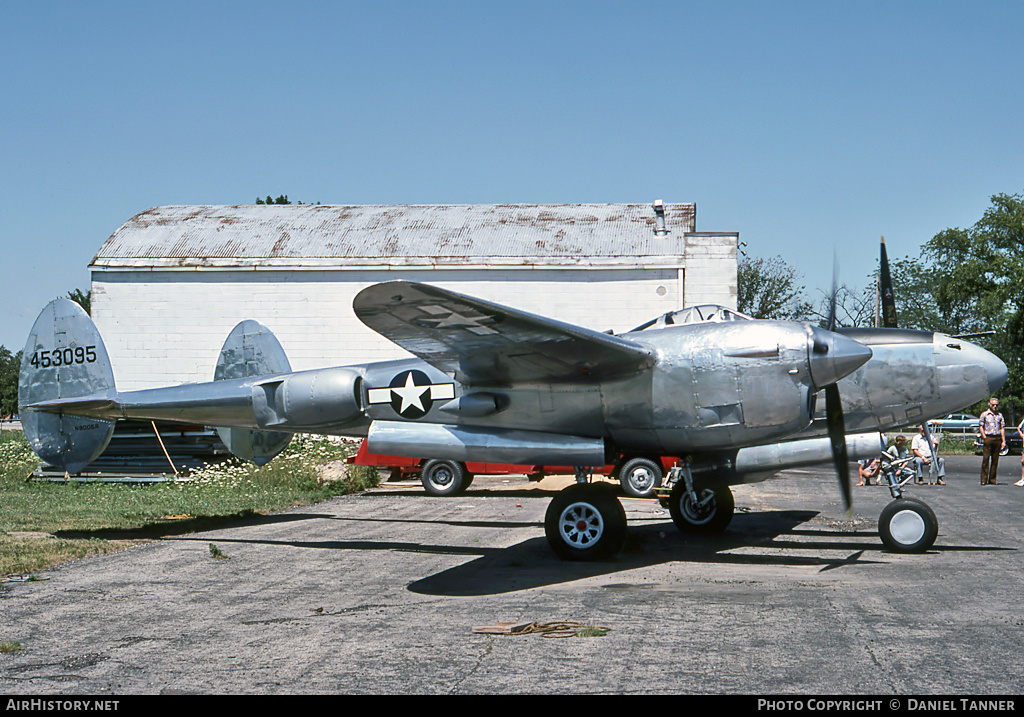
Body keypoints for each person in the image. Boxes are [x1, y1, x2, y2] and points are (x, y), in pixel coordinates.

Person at [979, 397, 1006, 485]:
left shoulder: (999, 415)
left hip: (997, 438)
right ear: (989, 405)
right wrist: (984, 437)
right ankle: (984, 479)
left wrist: (1003, 441)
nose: (995, 406)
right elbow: (981, 426)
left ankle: (992, 479)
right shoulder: (985, 414)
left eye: (996, 405)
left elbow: (1002, 428)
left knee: (995, 460)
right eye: (993, 405)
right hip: (988, 437)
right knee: (986, 459)